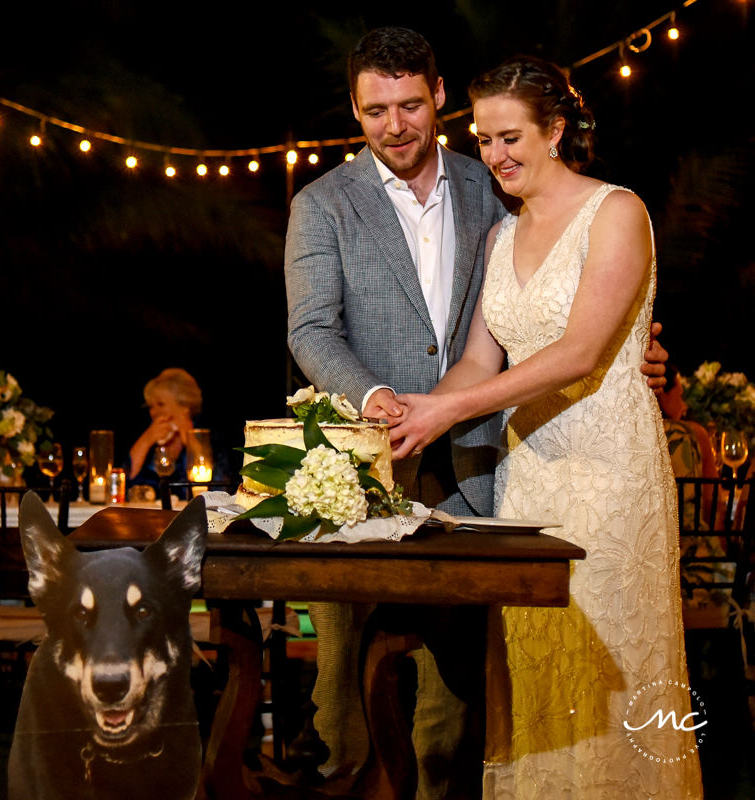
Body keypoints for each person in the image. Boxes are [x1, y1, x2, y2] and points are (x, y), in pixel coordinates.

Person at [285, 29, 669, 796]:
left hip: (484, 474)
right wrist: (388, 406)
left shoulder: (488, 190)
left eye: (408, 105)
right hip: (371, 464)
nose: (393, 124)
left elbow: (582, 315)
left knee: (459, 707)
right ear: (356, 112)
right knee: (341, 707)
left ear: (435, 99)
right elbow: (310, 330)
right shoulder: (323, 203)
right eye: (373, 109)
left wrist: (639, 352)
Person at [389, 56, 702, 796]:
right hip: (529, 476)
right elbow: (475, 359)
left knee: (612, 669)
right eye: (483, 140)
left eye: (510, 137)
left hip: (608, 472)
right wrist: (415, 409)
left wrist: (454, 410)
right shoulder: (503, 235)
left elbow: (580, 351)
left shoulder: (616, 211)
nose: (495, 155)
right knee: (535, 668)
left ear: (555, 129)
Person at [126, 368, 209, 494]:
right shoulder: (148, 432)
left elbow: (218, 487)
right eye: (151, 407)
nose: (153, 412)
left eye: (161, 404)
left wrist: (190, 439)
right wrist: (146, 440)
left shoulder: (206, 435)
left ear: (184, 406)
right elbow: (122, 483)